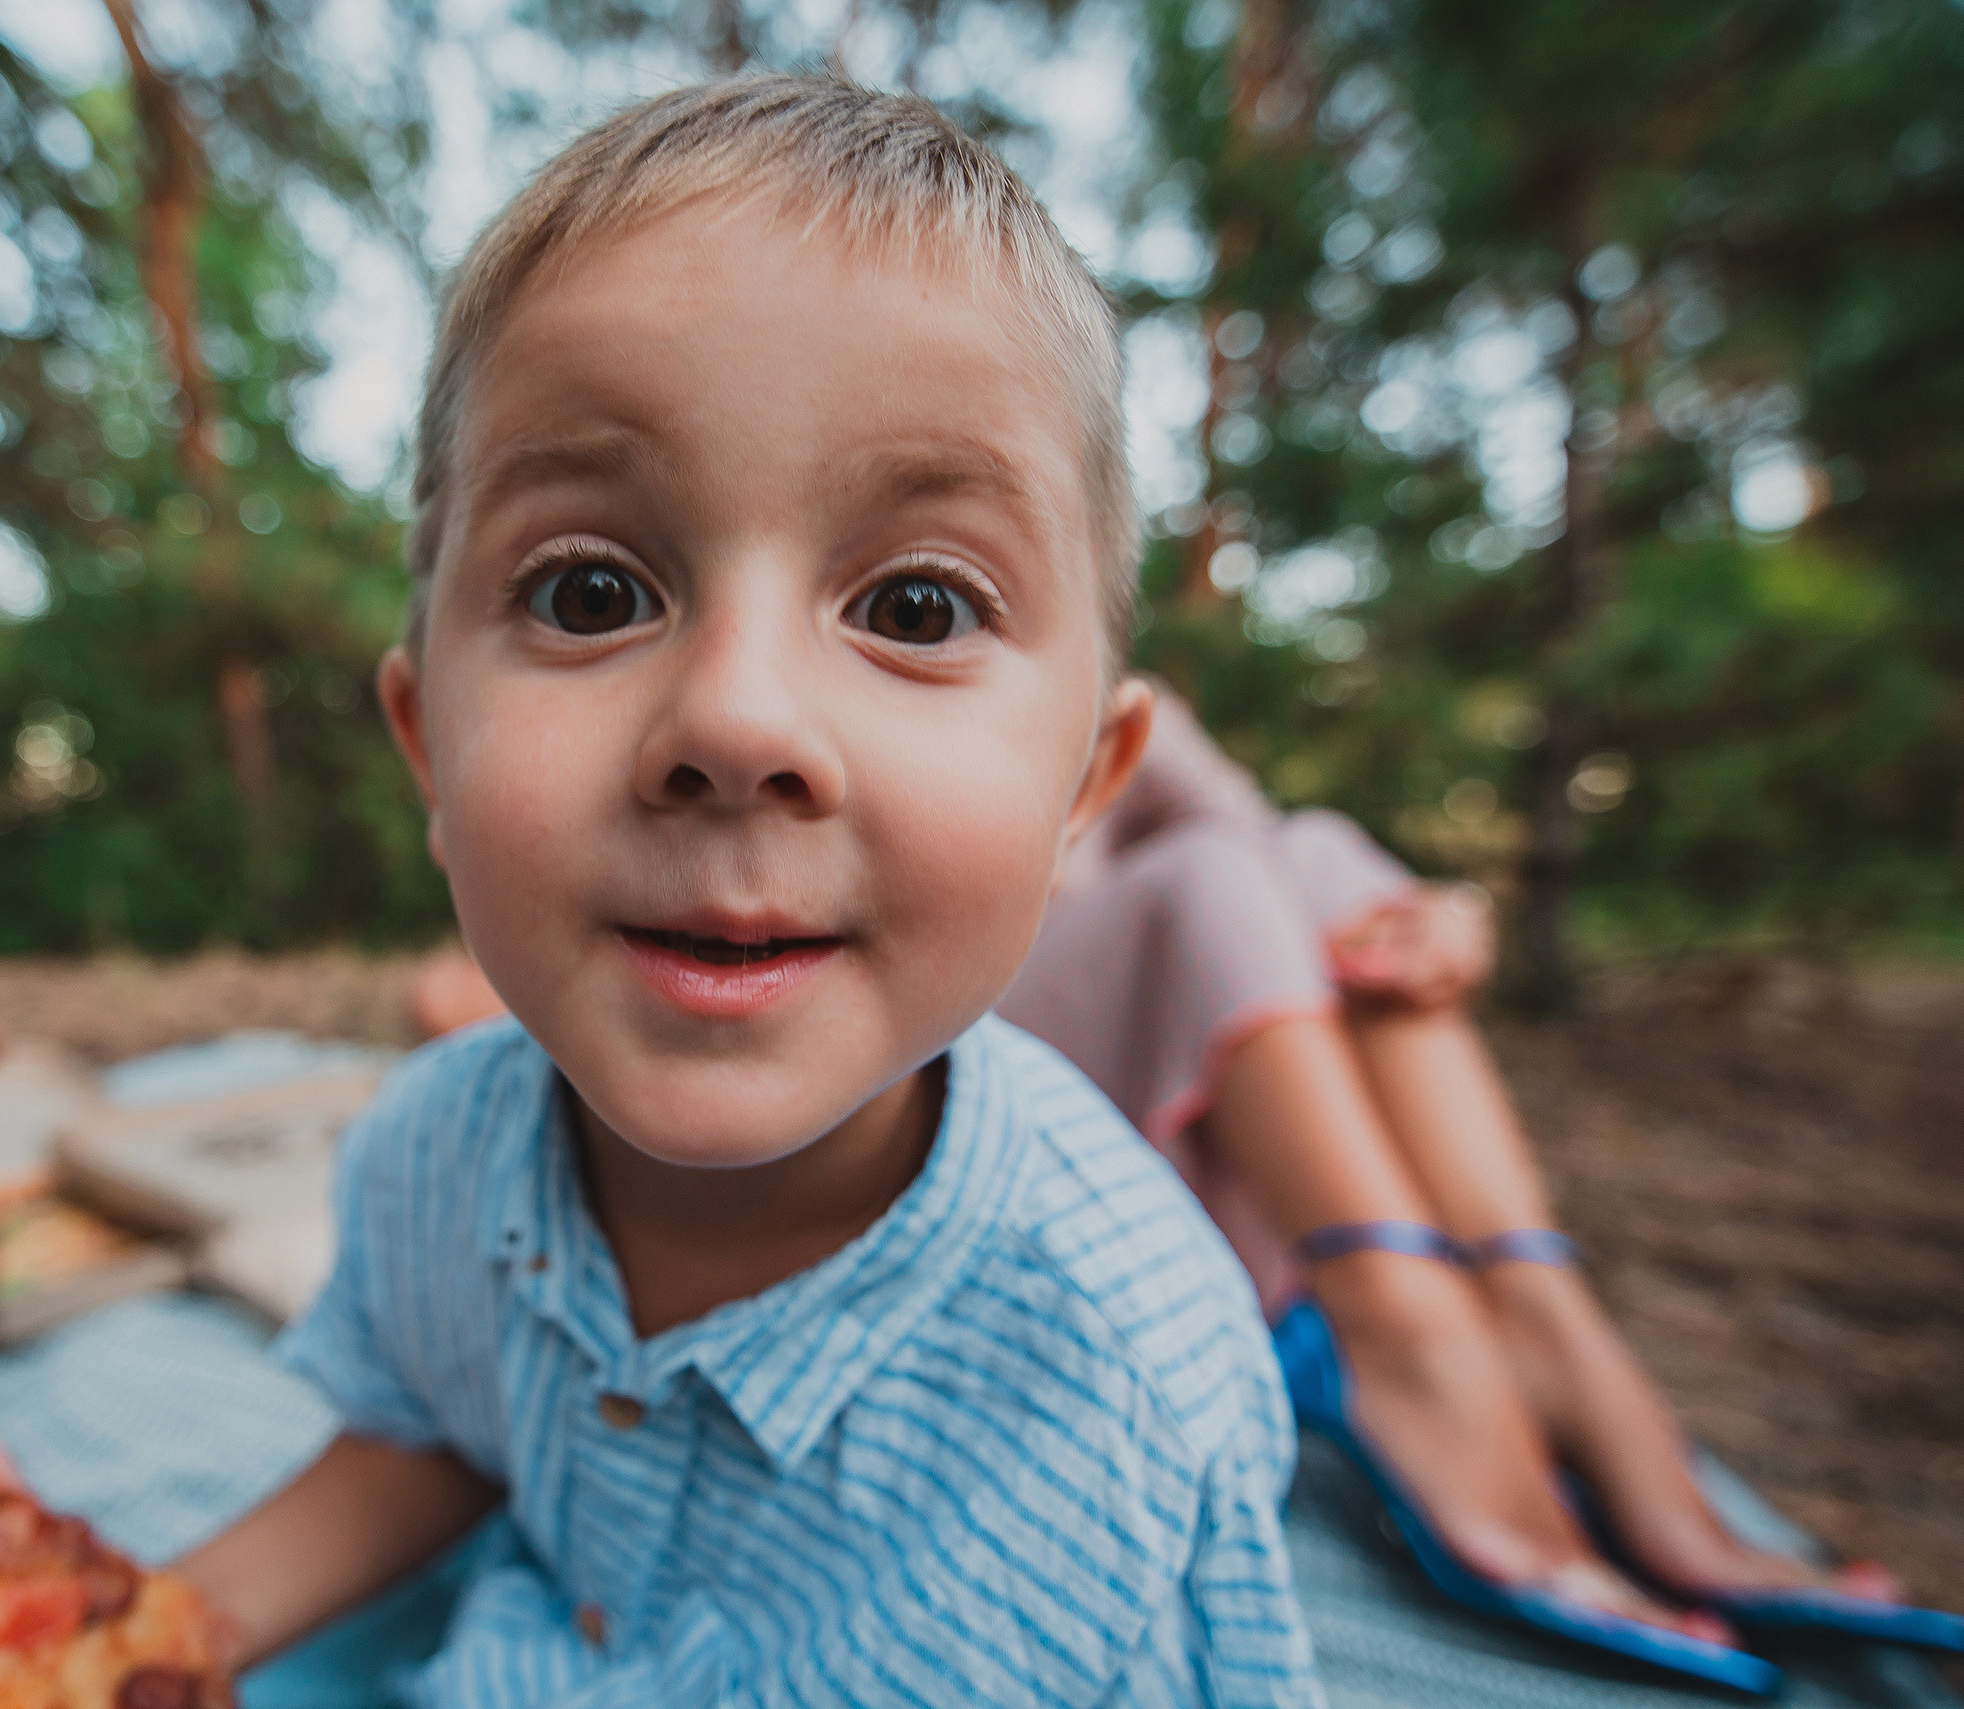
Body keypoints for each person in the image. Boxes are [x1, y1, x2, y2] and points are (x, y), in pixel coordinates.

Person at [161, 76, 1322, 1706]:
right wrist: (135, 1634)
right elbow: (431, 1433)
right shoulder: (430, 1158)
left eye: (917, 603)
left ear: (1083, 788)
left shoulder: (1124, 1393)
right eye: (591, 588)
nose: (736, 721)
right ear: (427, 742)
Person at [998, 680, 1919, 1649]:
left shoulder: (1077, 638)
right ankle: (1405, 1334)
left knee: (1318, 855)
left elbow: (1252, 831)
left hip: (1203, 1138)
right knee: (1204, 873)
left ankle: (1537, 1312)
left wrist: (1438, 918)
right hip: (1007, 1099)